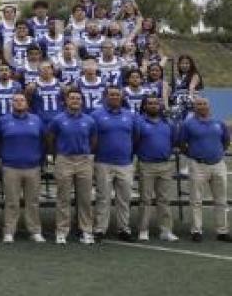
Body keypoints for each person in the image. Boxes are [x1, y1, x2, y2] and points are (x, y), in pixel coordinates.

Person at [48, 89, 98, 245]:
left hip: (84, 160)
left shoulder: (89, 120)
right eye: (72, 98)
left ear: (82, 101)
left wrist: (87, 153)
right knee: (63, 198)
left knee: (85, 198)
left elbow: (93, 139)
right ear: (66, 101)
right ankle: (62, 231)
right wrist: (56, 155)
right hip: (64, 159)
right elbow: (50, 138)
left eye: (78, 98)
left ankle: (86, 231)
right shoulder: (58, 119)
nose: (75, 100)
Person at [180, 97, 231, 242]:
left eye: (204, 104)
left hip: (218, 164)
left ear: (209, 106)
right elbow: (182, 143)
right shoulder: (188, 124)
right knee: (196, 200)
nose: (202, 106)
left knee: (221, 199)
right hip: (198, 165)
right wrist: (192, 155)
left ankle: (222, 231)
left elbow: (226, 141)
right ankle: (196, 230)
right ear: (194, 107)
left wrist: (219, 153)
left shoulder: (219, 123)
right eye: (199, 104)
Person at [91, 86, 139, 242]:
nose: (114, 97)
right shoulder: (96, 115)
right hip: (103, 162)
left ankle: (123, 228)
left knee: (124, 198)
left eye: (117, 95)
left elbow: (135, 137)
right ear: (105, 96)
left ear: (122, 97)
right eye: (111, 95)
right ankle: (100, 229)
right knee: (103, 197)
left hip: (125, 163)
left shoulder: (130, 115)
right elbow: (92, 138)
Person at [0, 94, 46, 243]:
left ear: (27, 103)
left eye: (22, 100)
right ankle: (9, 232)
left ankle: (35, 231)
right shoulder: (4, 121)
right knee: (11, 201)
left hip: (32, 167)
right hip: (11, 167)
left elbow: (43, 141)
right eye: (16, 100)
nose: (19, 103)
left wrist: (41, 160)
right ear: (12, 103)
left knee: (33, 201)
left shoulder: (36, 120)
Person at [135, 96, 178, 242]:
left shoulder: (168, 123)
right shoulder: (139, 122)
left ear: (160, 106)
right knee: (145, 199)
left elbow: (173, 141)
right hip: (146, 165)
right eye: (150, 103)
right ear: (145, 106)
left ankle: (165, 230)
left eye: (156, 103)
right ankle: (143, 229)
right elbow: (135, 141)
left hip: (165, 165)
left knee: (164, 199)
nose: (153, 106)